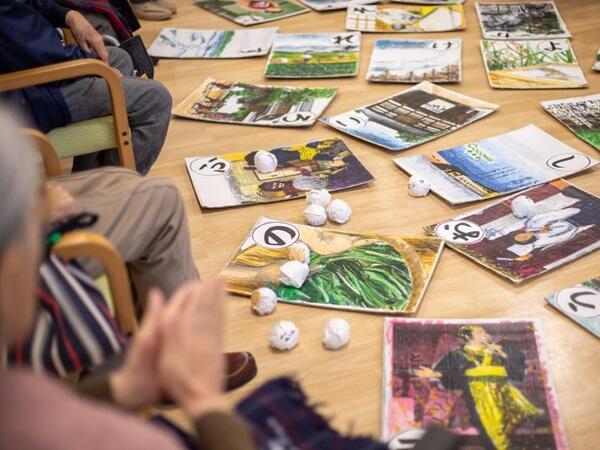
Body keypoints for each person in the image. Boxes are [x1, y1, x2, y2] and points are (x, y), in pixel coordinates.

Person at [0, 109, 257, 450]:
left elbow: (31, 411)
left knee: (122, 179)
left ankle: (164, 358)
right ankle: (180, 362)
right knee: (162, 197)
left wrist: (121, 386)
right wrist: (203, 401)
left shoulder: (20, 400)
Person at [0, 0, 172, 174]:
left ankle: (90, 177)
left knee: (120, 59)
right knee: (156, 100)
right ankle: (108, 192)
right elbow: (38, 51)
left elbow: (26, 6)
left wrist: (68, 15)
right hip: (21, 96)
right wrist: (90, 64)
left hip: (28, 75)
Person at [414, 325, 542, 450]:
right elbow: (446, 376)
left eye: (483, 333)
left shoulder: (495, 350)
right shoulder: (457, 353)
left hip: (499, 388)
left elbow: (511, 369)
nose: (484, 335)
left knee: (514, 415)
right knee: (490, 423)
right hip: (477, 390)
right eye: (479, 333)